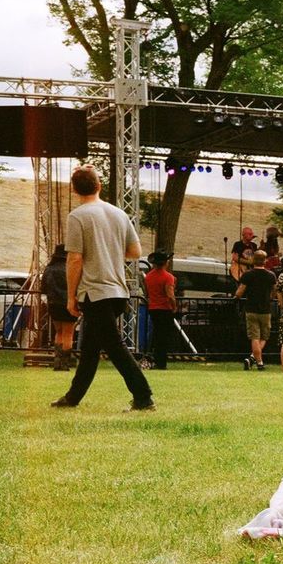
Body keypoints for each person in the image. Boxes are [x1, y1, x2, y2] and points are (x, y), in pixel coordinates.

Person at [50, 164, 154, 411]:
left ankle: (144, 397)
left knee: (115, 347)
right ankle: (72, 397)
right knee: (89, 349)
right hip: (118, 291)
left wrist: (71, 296)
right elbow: (135, 251)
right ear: (99, 186)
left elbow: (75, 259)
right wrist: (109, 250)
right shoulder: (119, 214)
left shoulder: (77, 216)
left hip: (95, 292)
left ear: (74, 190)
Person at [234, 250, 277, 371]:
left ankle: (256, 360)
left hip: (251, 309)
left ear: (253, 260)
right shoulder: (271, 275)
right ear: (265, 261)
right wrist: (270, 297)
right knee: (264, 337)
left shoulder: (247, 275)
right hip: (266, 310)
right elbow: (275, 290)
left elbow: (240, 292)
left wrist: (236, 297)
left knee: (254, 337)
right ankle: (257, 361)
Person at [41, 244, 78, 371]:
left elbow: (43, 287)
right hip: (68, 303)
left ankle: (57, 361)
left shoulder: (49, 268)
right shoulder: (70, 268)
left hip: (53, 304)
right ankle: (65, 363)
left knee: (59, 332)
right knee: (68, 333)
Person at [144, 250, 177, 370]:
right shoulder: (168, 277)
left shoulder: (148, 276)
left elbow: (147, 293)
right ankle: (161, 362)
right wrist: (174, 307)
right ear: (165, 262)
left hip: (153, 308)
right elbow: (170, 295)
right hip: (165, 309)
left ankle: (155, 358)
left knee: (156, 334)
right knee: (164, 337)